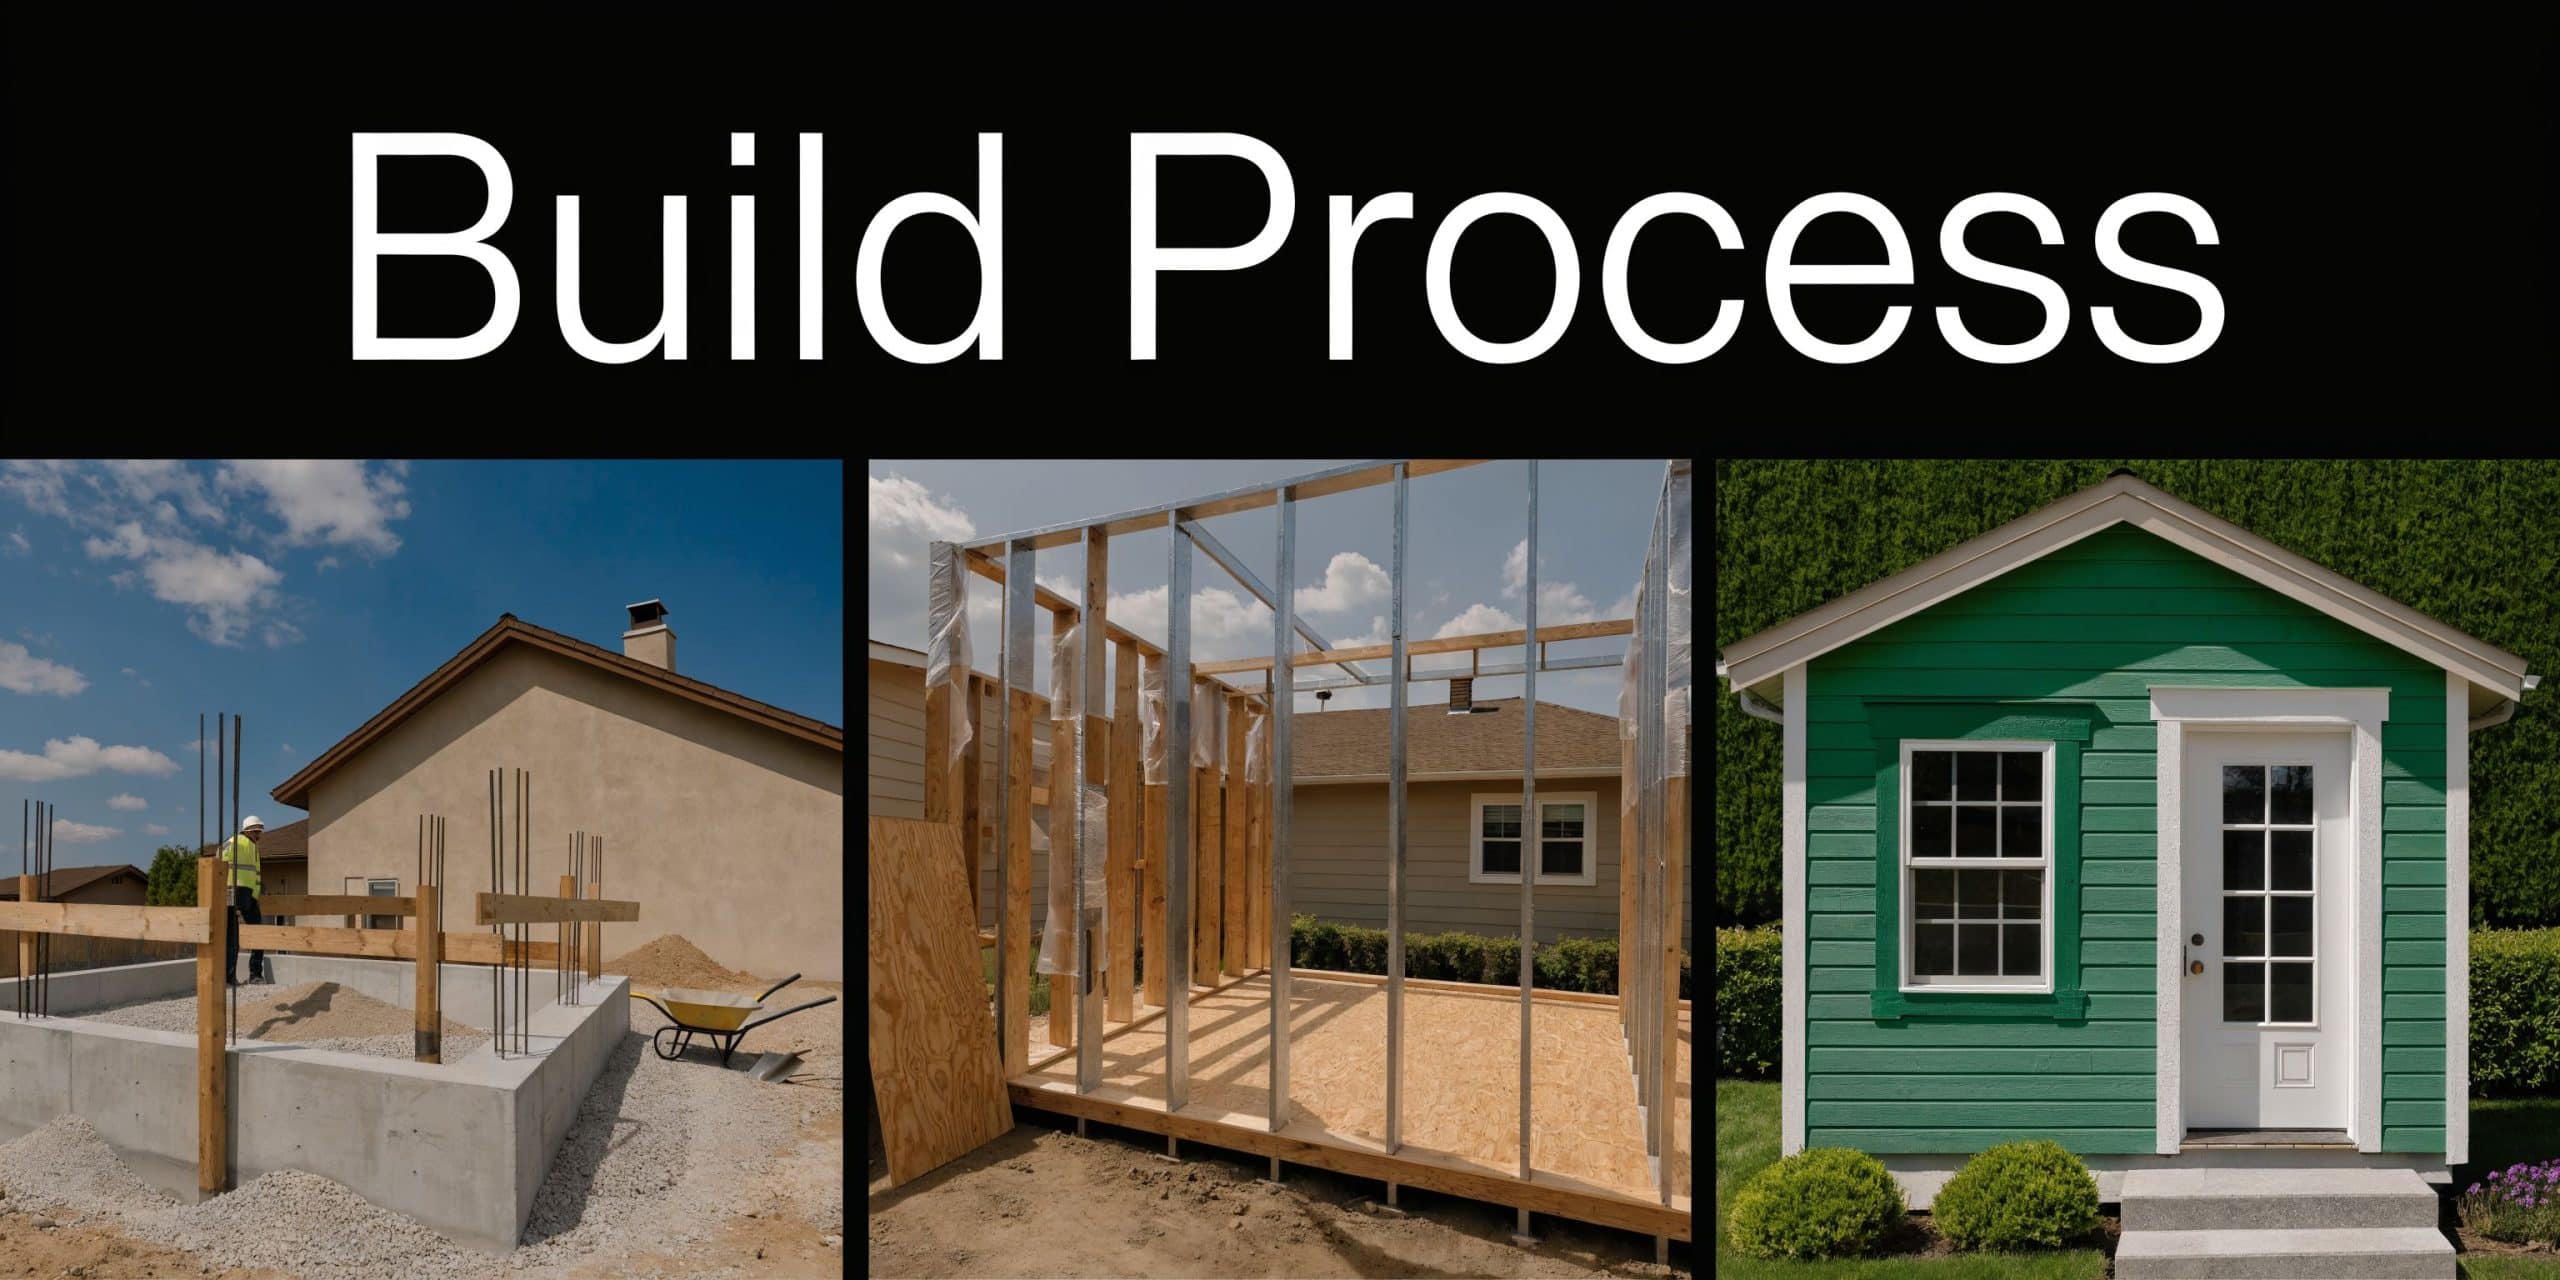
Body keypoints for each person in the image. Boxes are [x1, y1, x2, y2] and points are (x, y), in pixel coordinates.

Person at [224, 815, 270, 986]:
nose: (259, 835)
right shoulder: (237, 842)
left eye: (259, 831)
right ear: (249, 830)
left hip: (238, 893)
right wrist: (254, 894)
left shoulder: (247, 845)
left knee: (233, 936)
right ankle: (255, 975)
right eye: (257, 831)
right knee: (250, 934)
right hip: (241, 893)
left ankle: (231, 978)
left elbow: (255, 874)